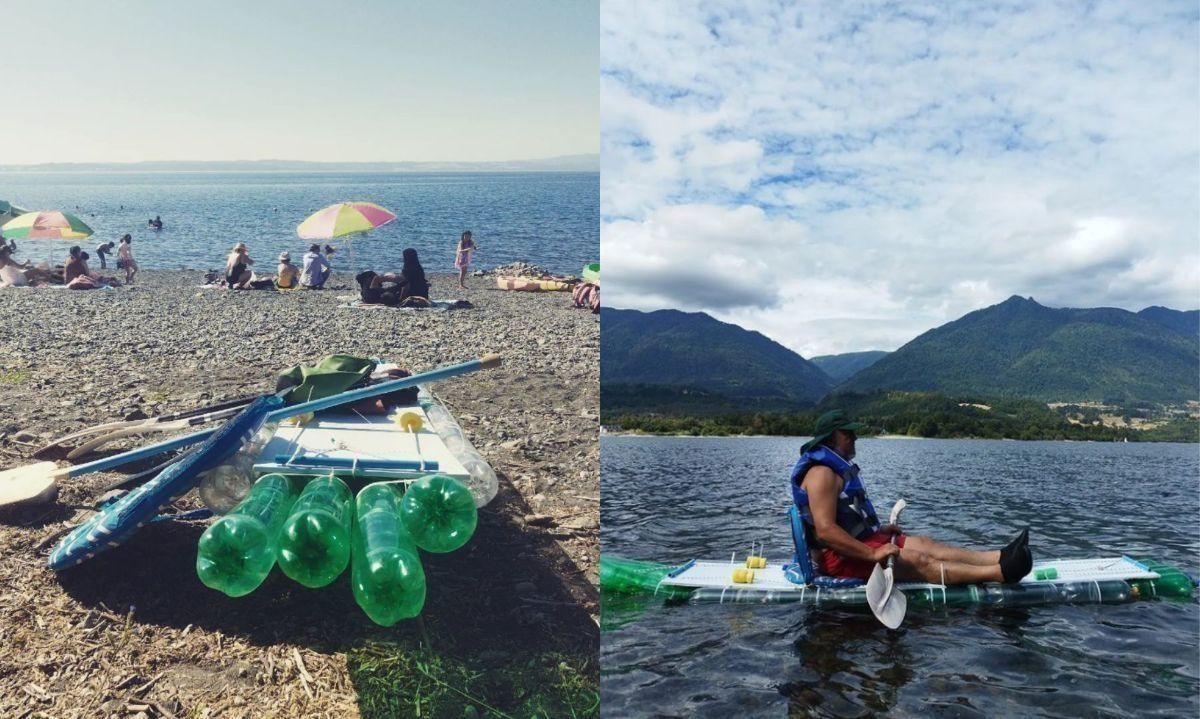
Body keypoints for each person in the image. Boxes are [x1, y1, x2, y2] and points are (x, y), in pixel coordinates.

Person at [790, 409, 1032, 585]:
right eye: (848, 434)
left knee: (926, 544)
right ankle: (1001, 573)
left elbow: (846, 519)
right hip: (839, 559)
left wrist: (878, 530)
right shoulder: (821, 474)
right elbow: (825, 531)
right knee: (919, 560)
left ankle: (999, 556)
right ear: (832, 437)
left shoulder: (833, 471)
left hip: (859, 544)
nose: (855, 438)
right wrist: (873, 554)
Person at [355, 248, 431, 307]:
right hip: (423, 295)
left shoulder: (407, 269)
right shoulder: (419, 269)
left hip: (410, 294)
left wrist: (401, 299)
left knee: (378, 284)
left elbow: (405, 287)